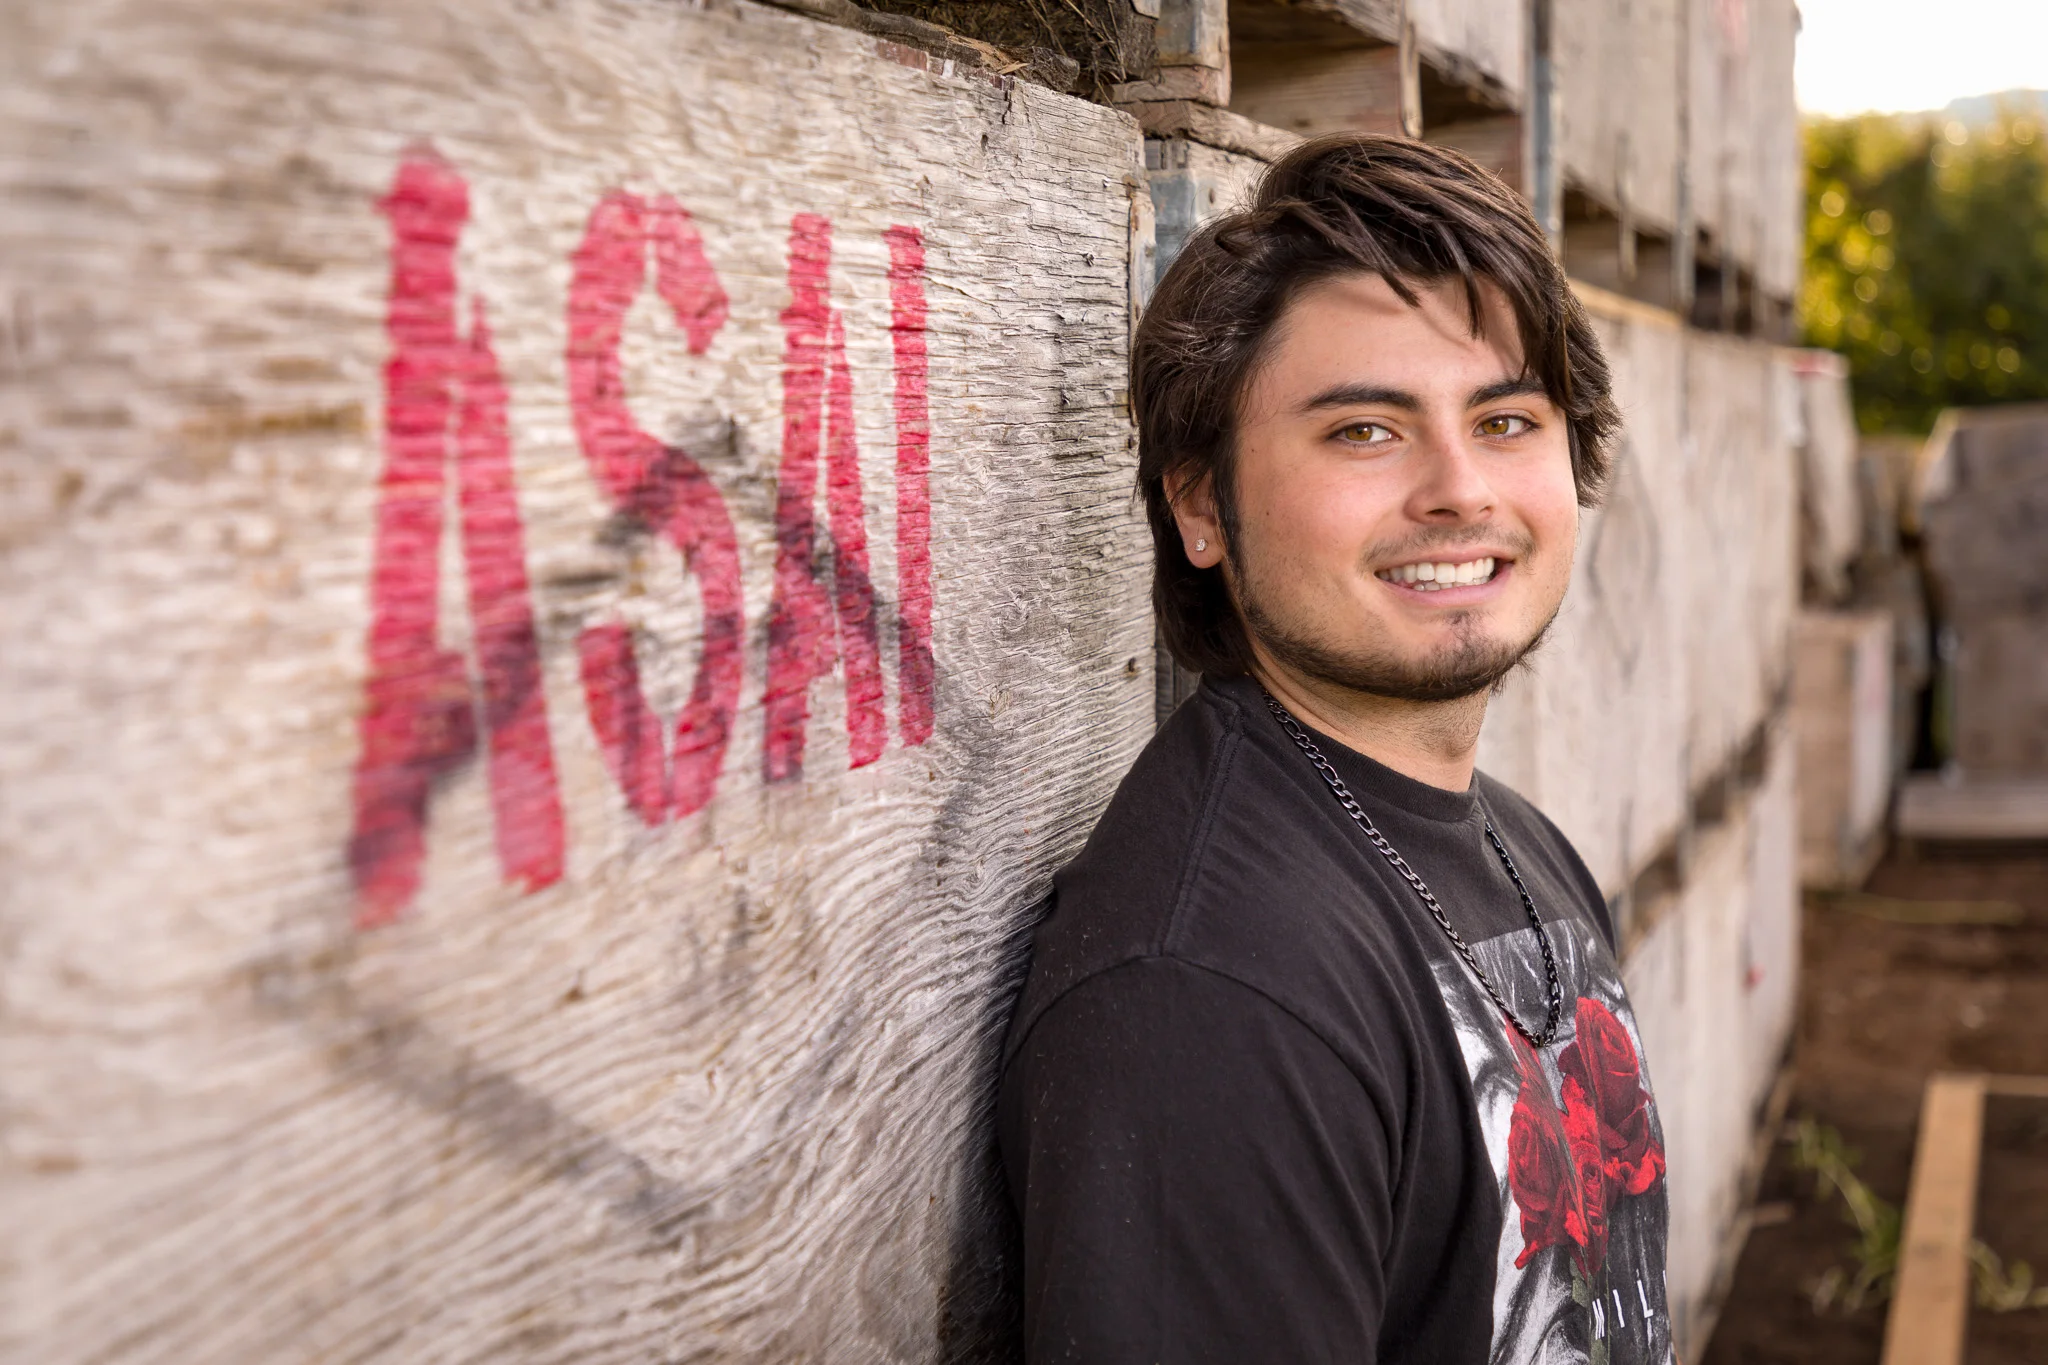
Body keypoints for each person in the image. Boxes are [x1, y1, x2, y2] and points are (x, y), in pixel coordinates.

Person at [996, 134, 1674, 1364]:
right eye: (1364, 430)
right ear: (1200, 504)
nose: (1459, 490)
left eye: (1504, 419)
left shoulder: (1517, 845)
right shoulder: (1207, 996)